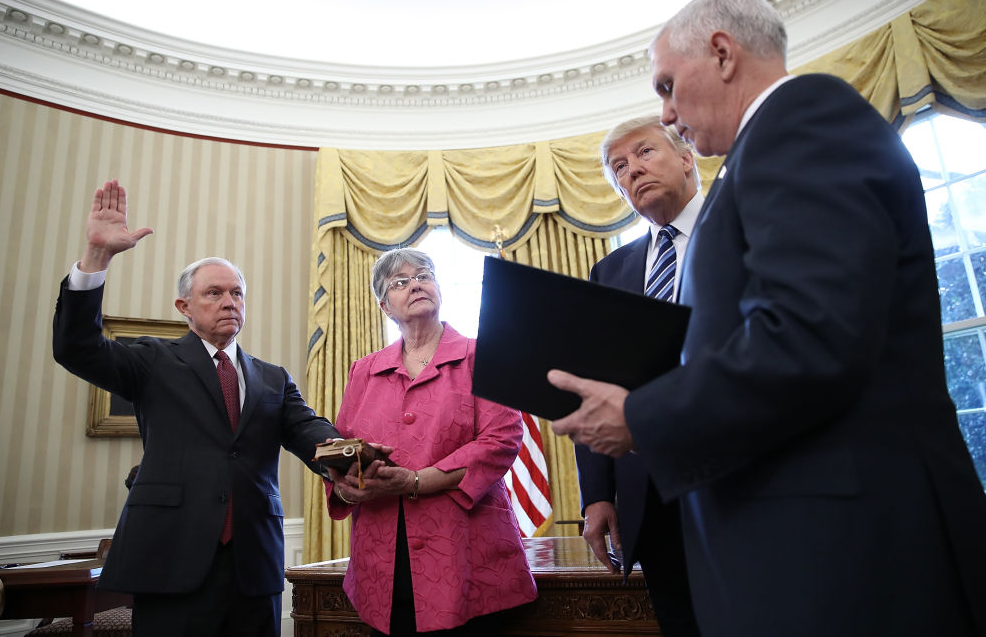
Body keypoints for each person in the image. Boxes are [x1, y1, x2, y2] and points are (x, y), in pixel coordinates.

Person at [550, 0, 986, 636]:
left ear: (722, 53)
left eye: (668, 86)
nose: (667, 114)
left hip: (848, 558)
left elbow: (809, 334)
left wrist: (638, 416)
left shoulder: (800, 118)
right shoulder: (753, 160)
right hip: (797, 553)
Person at [53, 180, 342, 637]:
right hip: (172, 560)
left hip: (255, 565)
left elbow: (308, 430)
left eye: (237, 293)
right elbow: (76, 346)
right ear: (184, 306)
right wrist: (97, 259)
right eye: (214, 293)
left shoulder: (272, 377)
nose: (229, 302)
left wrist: (345, 456)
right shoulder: (152, 361)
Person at [325, 247, 536, 636]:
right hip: (382, 560)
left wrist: (417, 481)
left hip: (466, 555)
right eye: (400, 282)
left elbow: (501, 438)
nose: (415, 284)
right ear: (385, 307)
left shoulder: (482, 355)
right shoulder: (364, 370)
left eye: (424, 275)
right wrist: (346, 486)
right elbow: (344, 446)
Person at [574, 115, 701, 637]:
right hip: (648, 496)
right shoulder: (612, 272)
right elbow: (592, 387)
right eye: (619, 168)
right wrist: (598, 494)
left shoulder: (744, 226)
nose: (633, 171)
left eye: (645, 153)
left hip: (741, 477)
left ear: (687, 156)